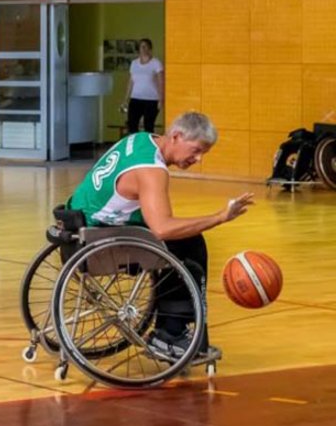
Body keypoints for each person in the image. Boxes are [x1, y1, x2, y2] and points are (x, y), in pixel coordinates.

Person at [66, 111, 254, 359]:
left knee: (182, 238)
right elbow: (163, 229)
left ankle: (169, 329)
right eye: (196, 150)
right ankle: (169, 335)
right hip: (98, 239)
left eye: (203, 153)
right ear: (176, 136)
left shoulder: (141, 139)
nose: (198, 159)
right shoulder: (152, 170)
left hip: (77, 222)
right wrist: (220, 217)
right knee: (188, 246)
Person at [125, 38, 164, 134]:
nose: (142, 49)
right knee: (132, 124)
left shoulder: (156, 63)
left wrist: (161, 99)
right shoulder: (134, 63)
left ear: (149, 48)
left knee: (148, 125)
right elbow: (131, 82)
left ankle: (148, 143)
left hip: (151, 99)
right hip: (135, 98)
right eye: (141, 47)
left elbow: (161, 82)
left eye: (145, 46)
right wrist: (126, 99)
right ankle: (135, 143)